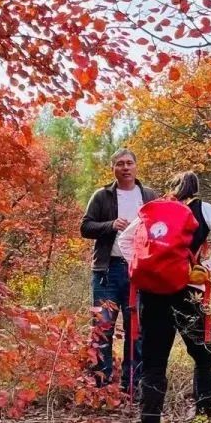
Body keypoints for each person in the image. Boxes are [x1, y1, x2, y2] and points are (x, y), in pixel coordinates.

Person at [116, 171, 211, 423]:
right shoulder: (203, 209)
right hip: (189, 294)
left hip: (152, 295)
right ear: (196, 189)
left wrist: (142, 271)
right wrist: (205, 268)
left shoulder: (153, 211)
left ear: (171, 188)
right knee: (205, 359)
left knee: (153, 365)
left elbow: (125, 240)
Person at [79, 149, 158, 394]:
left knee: (138, 329)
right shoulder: (102, 196)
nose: (125, 168)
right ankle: (102, 388)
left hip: (140, 271)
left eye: (130, 163)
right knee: (102, 329)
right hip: (107, 270)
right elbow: (85, 227)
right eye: (120, 164)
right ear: (113, 168)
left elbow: (160, 231)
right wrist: (110, 225)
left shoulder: (148, 196)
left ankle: (131, 386)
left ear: (136, 167)